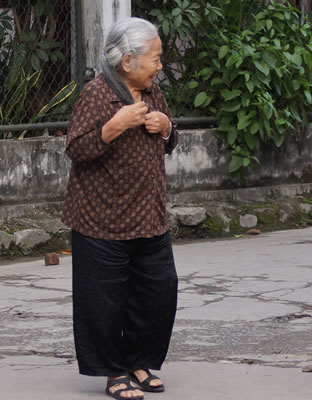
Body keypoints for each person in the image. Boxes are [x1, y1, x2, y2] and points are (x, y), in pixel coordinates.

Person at [62, 17, 178, 400]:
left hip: (148, 214)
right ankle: (114, 373)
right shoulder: (97, 95)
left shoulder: (153, 91)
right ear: (127, 60)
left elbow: (170, 137)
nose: (159, 66)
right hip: (102, 219)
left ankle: (139, 361)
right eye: (155, 59)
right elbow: (76, 149)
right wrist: (113, 127)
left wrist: (166, 127)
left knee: (158, 292)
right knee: (104, 301)